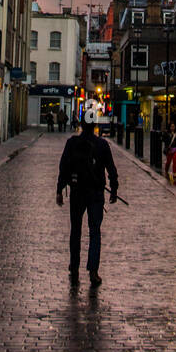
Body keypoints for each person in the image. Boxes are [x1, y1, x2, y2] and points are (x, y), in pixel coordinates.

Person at [56, 120, 119, 287]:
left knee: (75, 230)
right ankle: (93, 271)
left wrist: (59, 190)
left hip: (77, 192)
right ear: (95, 126)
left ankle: (74, 265)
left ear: (82, 126)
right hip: (96, 193)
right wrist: (114, 189)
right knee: (95, 232)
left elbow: (63, 167)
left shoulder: (72, 143)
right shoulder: (102, 144)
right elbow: (111, 168)